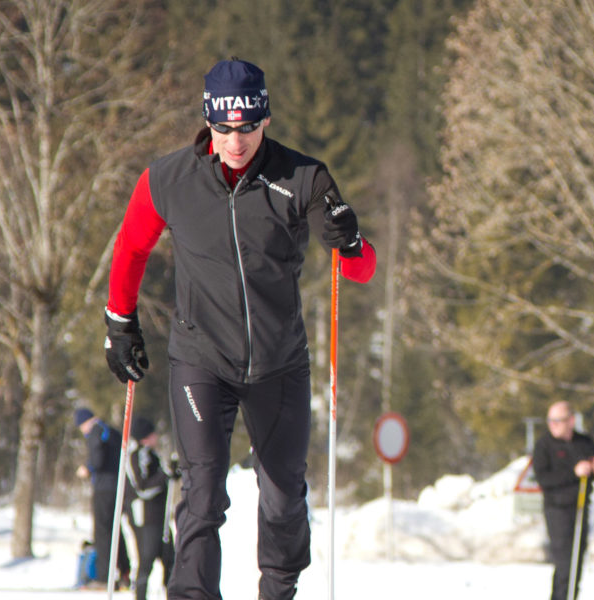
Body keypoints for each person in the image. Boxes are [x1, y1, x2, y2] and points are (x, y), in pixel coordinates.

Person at [102, 57, 376, 600]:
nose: (236, 141)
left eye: (247, 127)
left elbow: (358, 269)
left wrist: (351, 240)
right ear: (208, 121)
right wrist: (120, 321)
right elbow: (133, 245)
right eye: (224, 128)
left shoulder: (303, 177)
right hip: (200, 359)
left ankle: (278, 590)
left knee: (282, 497)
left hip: (278, 363)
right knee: (202, 494)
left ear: (265, 119)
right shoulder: (168, 178)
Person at [530, 401, 594, 600]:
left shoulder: (584, 442)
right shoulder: (544, 445)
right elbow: (544, 479)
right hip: (557, 509)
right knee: (564, 562)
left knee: (577, 560)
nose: (553, 425)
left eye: (558, 421)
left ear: (571, 421)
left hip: (580, 508)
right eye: (550, 421)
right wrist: (574, 472)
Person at [75, 407, 131, 590]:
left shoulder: (96, 432)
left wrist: (87, 468)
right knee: (115, 529)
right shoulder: (110, 430)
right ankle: (124, 571)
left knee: (102, 531)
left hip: (103, 487)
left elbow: (97, 459)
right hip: (116, 486)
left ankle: (104, 577)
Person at [124, 417, 177, 600]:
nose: (156, 437)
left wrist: (172, 472)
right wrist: (165, 474)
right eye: (153, 434)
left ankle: (173, 595)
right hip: (146, 519)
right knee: (146, 562)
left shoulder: (152, 454)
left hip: (160, 519)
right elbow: (143, 487)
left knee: (170, 560)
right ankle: (140, 596)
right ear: (145, 437)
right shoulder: (137, 454)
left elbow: (162, 478)